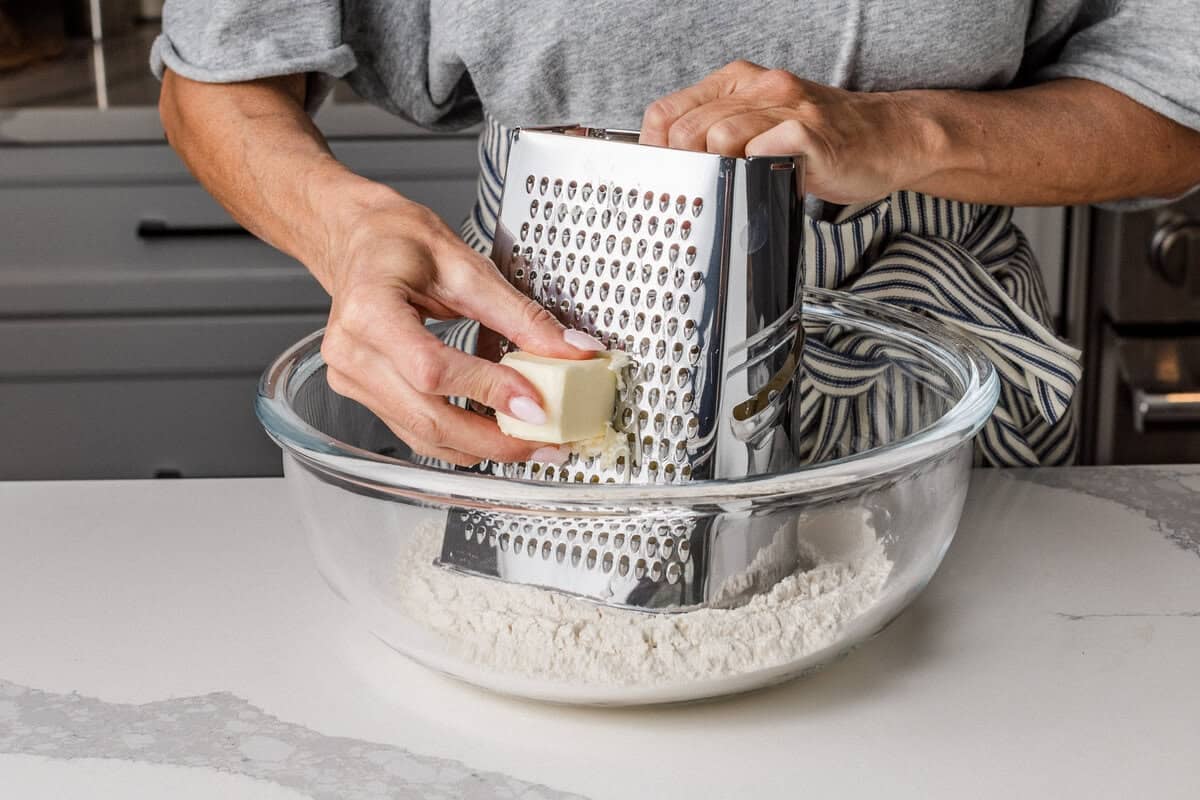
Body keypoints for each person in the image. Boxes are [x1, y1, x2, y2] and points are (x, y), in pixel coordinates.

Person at [152, 1, 1200, 468]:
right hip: (537, 341)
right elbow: (220, 72)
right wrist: (351, 228)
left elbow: (1176, 98)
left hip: (934, 371)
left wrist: (908, 129)